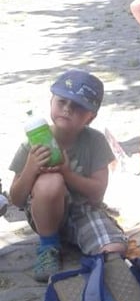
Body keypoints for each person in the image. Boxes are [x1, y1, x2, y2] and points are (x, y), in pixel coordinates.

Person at [9, 69, 127, 282]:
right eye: (62, 101)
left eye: (77, 106)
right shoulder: (33, 143)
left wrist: (67, 172)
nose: (67, 109)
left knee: (115, 250)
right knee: (50, 181)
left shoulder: (95, 141)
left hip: (84, 212)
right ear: (51, 102)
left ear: (91, 117)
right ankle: (48, 246)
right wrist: (30, 168)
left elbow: (97, 194)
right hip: (44, 216)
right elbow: (16, 199)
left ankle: (93, 271)